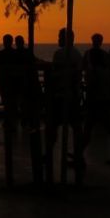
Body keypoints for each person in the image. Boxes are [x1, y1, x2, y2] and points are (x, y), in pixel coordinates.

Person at [46, 28, 84, 181]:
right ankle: (78, 156)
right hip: (74, 95)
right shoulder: (77, 53)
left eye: (59, 36)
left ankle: (48, 153)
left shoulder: (60, 54)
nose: (57, 39)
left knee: (54, 125)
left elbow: (56, 74)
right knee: (76, 127)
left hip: (61, 95)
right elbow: (78, 74)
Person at [82, 34, 110, 165]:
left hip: (95, 100)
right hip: (105, 99)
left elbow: (91, 83)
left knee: (88, 128)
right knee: (109, 129)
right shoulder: (106, 64)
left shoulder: (91, 62)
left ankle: (78, 154)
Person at [0, 34, 26, 129]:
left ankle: (8, 120)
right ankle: (12, 120)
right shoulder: (15, 53)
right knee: (13, 102)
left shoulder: (1, 54)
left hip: (5, 81)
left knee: (7, 102)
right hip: (14, 81)